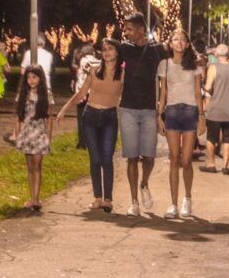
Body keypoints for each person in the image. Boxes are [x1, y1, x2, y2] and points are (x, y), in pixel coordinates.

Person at [57, 39, 122, 213]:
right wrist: (64, 109)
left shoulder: (122, 74)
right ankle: (97, 198)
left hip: (109, 118)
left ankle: (108, 199)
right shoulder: (94, 69)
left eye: (111, 49)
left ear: (117, 52)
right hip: (91, 117)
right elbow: (81, 93)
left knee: (107, 158)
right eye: (104, 49)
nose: (107, 52)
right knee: (95, 159)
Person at [119, 13, 169, 216]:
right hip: (128, 109)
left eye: (130, 29)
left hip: (149, 109)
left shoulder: (157, 50)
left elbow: (177, 56)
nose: (127, 33)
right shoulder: (124, 48)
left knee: (148, 156)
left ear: (141, 29)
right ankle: (133, 202)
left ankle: (144, 184)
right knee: (132, 157)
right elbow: (107, 57)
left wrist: (200, 59)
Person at [157, 30, 205, 218]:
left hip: (190, 111)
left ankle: (188, 198)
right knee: (174, 158)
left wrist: (202, 117)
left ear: (187, 44)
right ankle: (173, 203)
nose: (179, 42)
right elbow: (163, 92)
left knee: (186, 161)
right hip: (172, 111)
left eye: (182, 39)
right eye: (175, 39)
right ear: (170, 44)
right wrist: (159, 115)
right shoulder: (164, 65)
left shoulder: (194, 65)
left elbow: (197, 92)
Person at [14, 66, 52, 211]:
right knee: (30, 167)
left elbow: (49, 118)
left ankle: (36, 198)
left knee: (37, 166)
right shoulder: (23, 94)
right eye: (29, 77)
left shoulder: (46, 95)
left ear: (40, 78)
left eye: (34, 77)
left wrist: (48, 137)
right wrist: (17, 135)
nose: (31, 80)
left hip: (40, 134)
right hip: (27, 134)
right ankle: (33, 198)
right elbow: (18, 117)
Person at [201, 44, 229, 175]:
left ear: (216, 55)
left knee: (212, 138)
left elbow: (208, 87)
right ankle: (225, 165)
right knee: (228, 139)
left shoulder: (213, 67)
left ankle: (211, 164)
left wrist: (206, 88)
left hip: (215, 109)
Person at [73, 45, 100, 149]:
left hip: (83, 95)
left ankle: (82, 142)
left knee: (81, 120)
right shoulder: (98, 61)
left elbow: (80, 78)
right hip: (94, 94)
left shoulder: (82, 61)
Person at [20, 35, 55, 104]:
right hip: (46, 85)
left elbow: (22, 71)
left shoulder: (28, 53)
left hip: (31, 87)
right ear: (44, 43)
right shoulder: (49, 55)